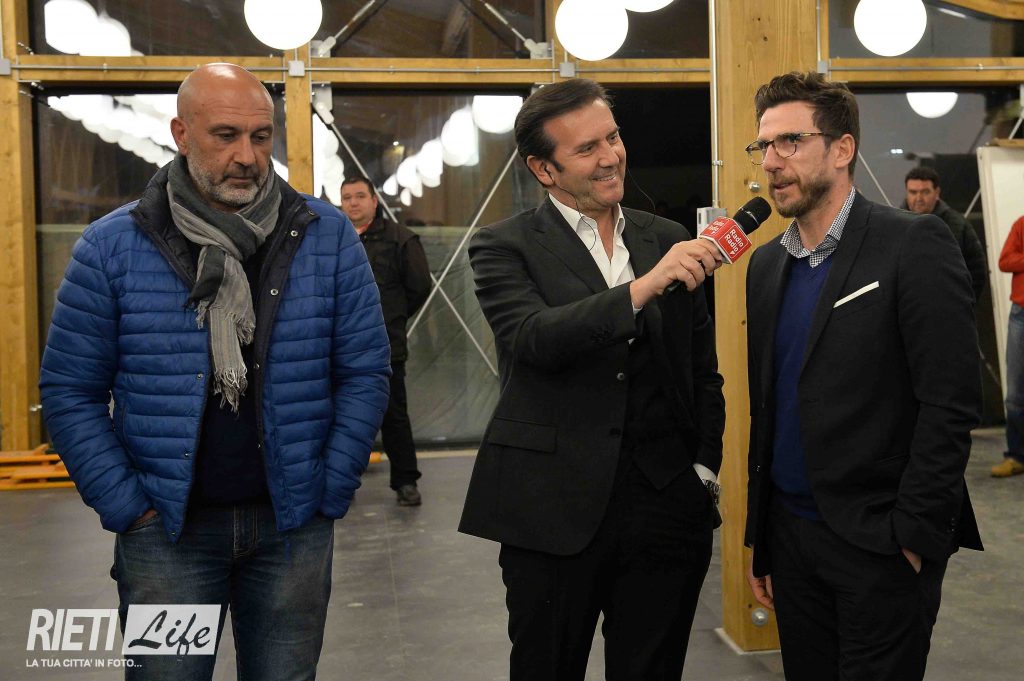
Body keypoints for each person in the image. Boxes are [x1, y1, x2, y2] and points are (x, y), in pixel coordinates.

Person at [38, 63, 391, 680]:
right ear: (181, 134)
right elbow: (70, 391)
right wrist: (128, 506)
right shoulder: (112, 247)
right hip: (167, 534)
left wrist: (330, 486)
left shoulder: (326, 236)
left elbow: (365, 370)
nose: (246, 156)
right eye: (225, 135)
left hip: (293, 527)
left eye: (261, 136)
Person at [459, 78, 726, 680]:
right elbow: (533, 337)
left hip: (665, 508)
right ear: (543, 169)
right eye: (586, 148)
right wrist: (643, 288)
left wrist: (703, 469)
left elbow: (701, 373)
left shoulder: (666, 238)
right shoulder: (503, 246)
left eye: (613, 137)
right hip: (550, 511)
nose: (610, 157)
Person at [743, 71, 983, 681]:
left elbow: (951, 401)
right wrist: (761, 539)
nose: (771, 161)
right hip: (791, 539)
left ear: (842, 149)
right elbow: (766, 410)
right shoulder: (765, 266)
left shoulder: (913, 243)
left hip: (880, 543)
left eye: (790, 141)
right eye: (764, 145)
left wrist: (912, 537)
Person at [341, 174, 431, 505]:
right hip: (341, 346)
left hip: (385, 345)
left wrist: (392, 317)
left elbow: (419, 286)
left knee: (394, 415)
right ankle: (342, 482)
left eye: (359, 196)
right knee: (343, 417)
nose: (353, 203)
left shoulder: (400, 239)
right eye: (347, 197)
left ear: (374, 201)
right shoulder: (334, 239)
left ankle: (406, 481)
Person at [903, 165, 987, 301]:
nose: (918, 198)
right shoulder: (896, 225)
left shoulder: (957, 225)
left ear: (937, 192)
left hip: (949, 305)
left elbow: (977, 269)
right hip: (907, 306)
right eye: (913, 192)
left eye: (925, 192)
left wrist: (964, 303)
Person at [992, 216, 1024, 477]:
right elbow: (1005, 261)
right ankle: (1016, 455)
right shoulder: (1021, 225)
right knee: (1015, 391)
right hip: (1021, 313)